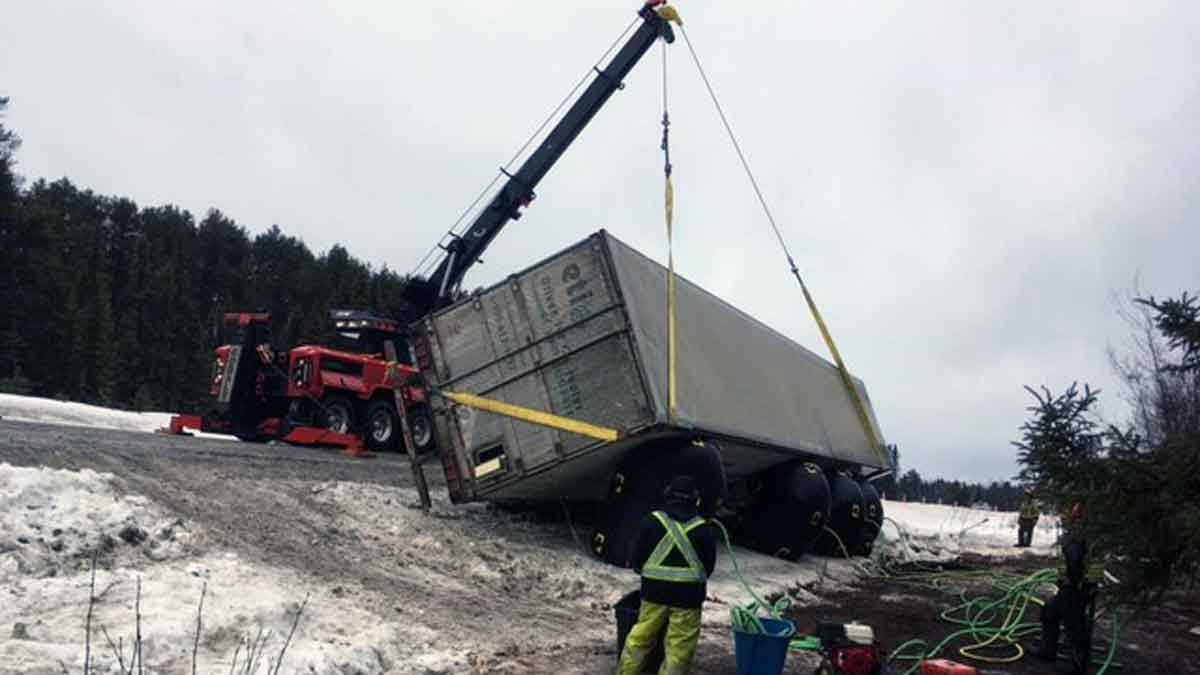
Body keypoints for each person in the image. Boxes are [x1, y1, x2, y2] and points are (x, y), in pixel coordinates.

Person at [618, 476, 717, 675]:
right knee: (679, 648)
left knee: (640, 638)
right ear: (695, 500)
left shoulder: (652, 520)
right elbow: (708, 567)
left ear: (667, 495)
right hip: (688, 598)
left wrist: (643, 571)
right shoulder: (704, 528)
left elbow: (635, 555)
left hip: (654, 592)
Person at [1035, 502, 1104, 674]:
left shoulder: (1089, 538)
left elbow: (1096, 564)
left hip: (1078, 589)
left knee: (1074, 626)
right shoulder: (1070, 536)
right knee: (1048, 613)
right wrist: (1062, 579)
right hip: (1067, 587)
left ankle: (1080, 664)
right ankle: (1047, 651)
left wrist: (1088, 585)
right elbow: (1063, 561)